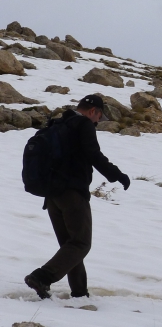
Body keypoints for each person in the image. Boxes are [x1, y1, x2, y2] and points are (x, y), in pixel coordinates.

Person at [24, 95, 130, 299]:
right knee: (81, 243)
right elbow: (94, 155)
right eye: (99, 117)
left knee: (70, 246)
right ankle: (42, 276)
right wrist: (117, 175)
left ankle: (80, 293)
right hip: (71, 193)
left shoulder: (58, 123)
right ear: (93, 112)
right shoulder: (83, 124)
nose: (98, 122)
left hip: (52, 195)